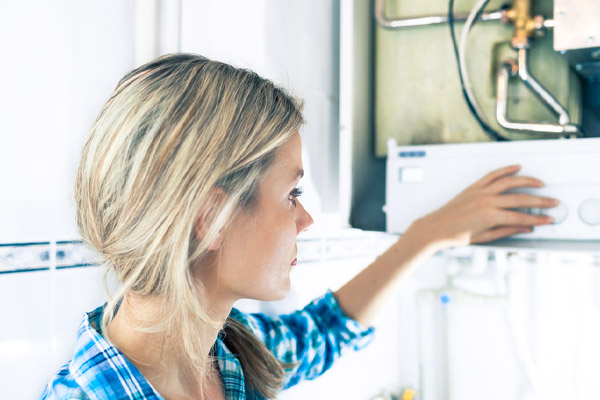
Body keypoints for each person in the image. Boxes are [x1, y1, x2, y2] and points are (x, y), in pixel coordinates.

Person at [40, 53, 556, 400]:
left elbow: (327, 331)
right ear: (210, 218)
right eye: (292, 195)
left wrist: (428, 235)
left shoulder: (225, 352)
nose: (305, 219)